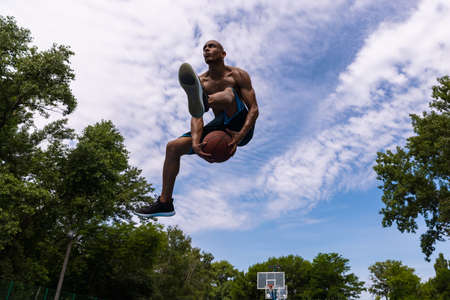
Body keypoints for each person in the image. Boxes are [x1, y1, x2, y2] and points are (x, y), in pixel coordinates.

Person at [135, 40, 259, 217]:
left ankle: (206, 101)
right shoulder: (201, 81)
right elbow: (196, 116)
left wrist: (240, 135)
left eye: (212, 46)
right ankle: (165, 203)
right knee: (173, 147)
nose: (207, 49)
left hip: (240, 125)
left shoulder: (238, 75)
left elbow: (254, 109)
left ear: (223, 54)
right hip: (219, 126)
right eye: (204, 48)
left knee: (229, 94)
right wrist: (195, 143)